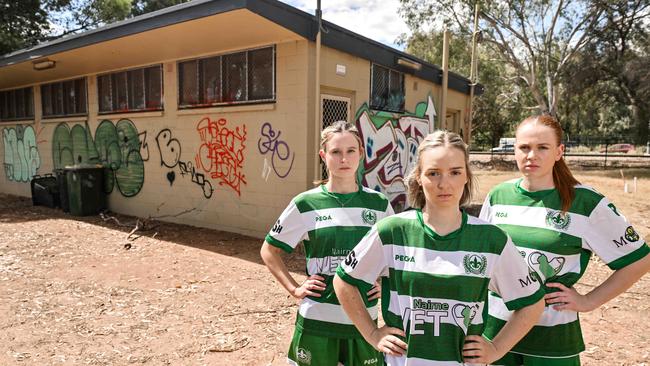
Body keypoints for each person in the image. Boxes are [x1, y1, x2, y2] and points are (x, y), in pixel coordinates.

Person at [334, 130, 545, 365]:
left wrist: (495, 348)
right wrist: (372, 334)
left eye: (455, 172)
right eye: (433, 173)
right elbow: (344, 281)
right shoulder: (391, 232)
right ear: (418, 177)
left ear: (466, 176)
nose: (444, 184)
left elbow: (532, 302)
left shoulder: (491, 240)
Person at [479, 114, 650, 365]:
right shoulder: (498, 196)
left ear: (560, 151)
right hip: (495, 330)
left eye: (542, 147)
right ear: (514, 149)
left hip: (551, 337)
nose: (531, 155)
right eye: (524, 147)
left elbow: (639, 260)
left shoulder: (585, 202)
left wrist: (588, 301)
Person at [260, 121, 394, 366]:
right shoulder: (305, 204)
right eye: (336, 152)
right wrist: (294, 288)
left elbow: (394, 257)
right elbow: (269, 250)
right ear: (324, 156)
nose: (344, 158)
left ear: (361, 153)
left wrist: (383, 283)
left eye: (351, 151)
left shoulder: (379, 205)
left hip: (364, 322)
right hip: (317, 319)